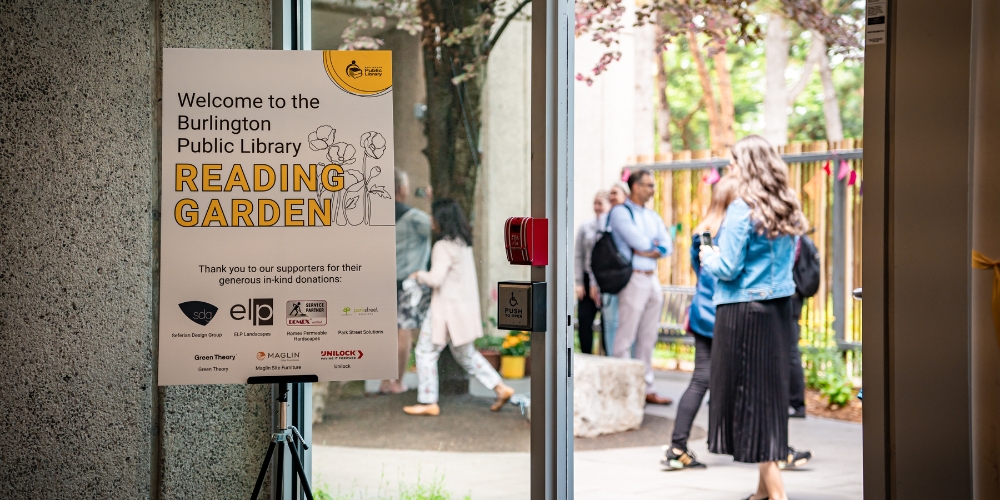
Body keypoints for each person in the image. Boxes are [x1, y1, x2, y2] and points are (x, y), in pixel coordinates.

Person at [661, 175, 812, 472]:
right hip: (730, 316)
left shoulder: (703, 231)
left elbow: (700, 272)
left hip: (703, 311)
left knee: (702, 379)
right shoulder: (739, 227)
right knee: (762, 383)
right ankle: (775, 450)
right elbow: (730, 271)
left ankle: (678, 446)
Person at [699, 135, 809, 500]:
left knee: (752, 400)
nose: (729, 168)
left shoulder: (742, 208)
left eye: (733, 161)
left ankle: (777, 496)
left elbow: (728, 268)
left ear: (747, 165)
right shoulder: (788, 206)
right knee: (769, 397)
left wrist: (707, 255)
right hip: (778, 312)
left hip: (743, 314)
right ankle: (761, 493)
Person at [403, 199, 515, 416]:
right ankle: (500, 388)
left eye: (433, 215)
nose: (430, 219)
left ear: (441, 219)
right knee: (466, 355)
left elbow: (436, 279)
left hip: (445, 312)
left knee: (425, 352)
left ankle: (428, 402)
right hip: (462, 311)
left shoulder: (442, 246)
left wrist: (419, 276)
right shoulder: (462, 244)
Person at [608, 170, 673, 405]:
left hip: (651, 277)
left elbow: (667, 245)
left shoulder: (652, 216)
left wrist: (651, 248)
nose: (653, 190)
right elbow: (638, 242)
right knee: (625, 336)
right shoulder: (620, 212)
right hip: (633, 278)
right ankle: (622, 391)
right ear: (635, 187)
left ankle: (646, 388)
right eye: (649, 185)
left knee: (648, 337)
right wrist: (650, 246)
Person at [381, 170, 432, 394]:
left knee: (383, 332)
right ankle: (396, 383)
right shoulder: (413, 217)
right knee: (403, 330)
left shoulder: (375, 214)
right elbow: (437, 226)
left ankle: (384, 381)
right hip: (407, 282)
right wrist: (432, 200)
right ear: (401, 189)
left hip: (382, 281)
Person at [574, 191, 610, 354]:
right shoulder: (585, 226)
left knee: (607, 323)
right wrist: (579, 282)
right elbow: (578, 255)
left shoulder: (612, 227)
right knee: (584, 320)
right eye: (594, 203)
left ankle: (606, 357)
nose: (596, 207)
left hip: (607, 281)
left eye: (600, 203)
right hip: (588, 280)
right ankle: (586, 355)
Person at [599, 182, 630, 354]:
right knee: (611, 321)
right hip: (609, 277)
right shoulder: (604, 219)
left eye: (615, 193)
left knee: (627, 322)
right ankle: (612, 357)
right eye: (610, 193)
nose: (611, 196)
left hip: (626, 276)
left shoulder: (631, 216)